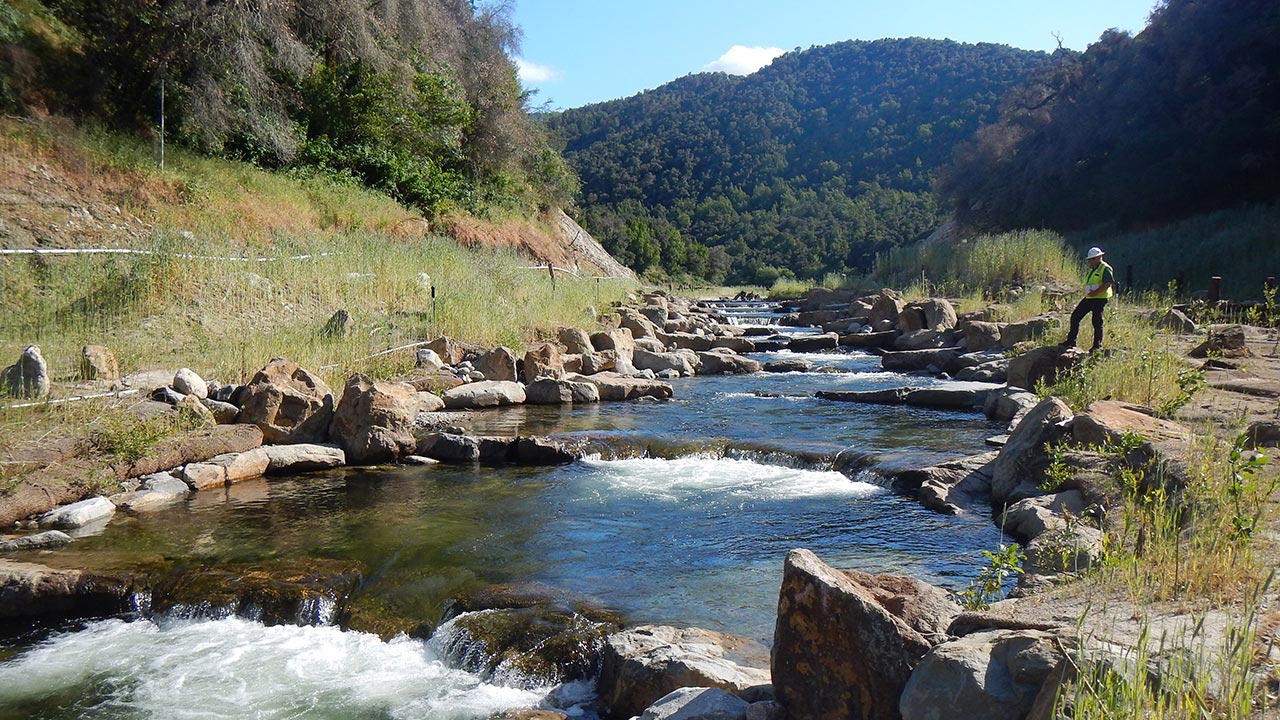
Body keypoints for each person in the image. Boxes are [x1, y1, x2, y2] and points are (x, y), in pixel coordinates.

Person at [1062, 246, 1114, 351]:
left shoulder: (1105, 268)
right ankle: (1071, 341)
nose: (1091, 261)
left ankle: (1097, 346)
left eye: (1093, 258)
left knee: (1097, 322)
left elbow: (1108, 283)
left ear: (1100, 257)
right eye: (1090, 259)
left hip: (1099, 298)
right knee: (1075, 316)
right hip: (1090, 297)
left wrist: (1095, 292)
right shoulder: (1095, 269)